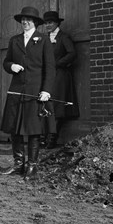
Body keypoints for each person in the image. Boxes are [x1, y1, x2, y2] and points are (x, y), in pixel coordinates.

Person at [0, 6, 55, 180]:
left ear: (35, 23)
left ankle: (32, 166)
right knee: (14, 128)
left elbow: (50, 68)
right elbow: (6, 61)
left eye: (28, 20)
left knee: (33, 129)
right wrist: (11, 66)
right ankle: (18, 164)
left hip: (36, 91)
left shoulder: (44, 40)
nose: (25, 22)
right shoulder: (14, 40)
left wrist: (46, 90)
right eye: (23, 19)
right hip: (17, 90)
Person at [41, 11, 80, 148]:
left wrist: (57, 63)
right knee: (45, 105)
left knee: (56, 107)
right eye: (46, 23)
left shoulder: (64, 37)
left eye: (50, 22)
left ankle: (51, 139)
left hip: (60, 76)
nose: (48, 25)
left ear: (57, 23)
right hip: (48, 76)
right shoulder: (44, 38)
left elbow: (72, 54)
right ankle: (44, 137)